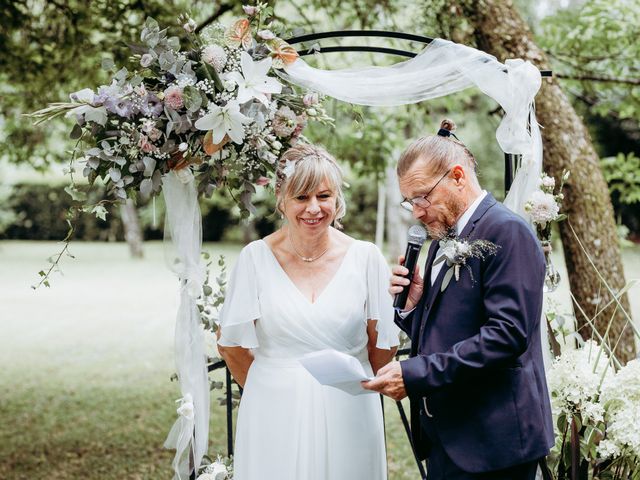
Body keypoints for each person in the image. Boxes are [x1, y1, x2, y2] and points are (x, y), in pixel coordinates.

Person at [363, 119, 554, 479]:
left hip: (495, 443)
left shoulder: (508, 232)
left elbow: (506, 335)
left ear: (458, 176)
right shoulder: (442, 241)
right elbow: (450, 325)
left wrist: (417, 373)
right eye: (410, 202)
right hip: (449, 436)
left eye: (422, 196)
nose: (417, 211)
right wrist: (414, 305)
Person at [216, 143, 400, 480]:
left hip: (350, 409)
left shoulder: (366, 258)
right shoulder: (255, 259)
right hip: (273, 412)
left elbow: (383, 347)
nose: (313, 208)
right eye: (301, 197)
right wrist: (275, 384)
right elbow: (231, 346)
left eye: (323, 196)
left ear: (337, 200)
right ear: (281, 199)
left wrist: (352, 385)